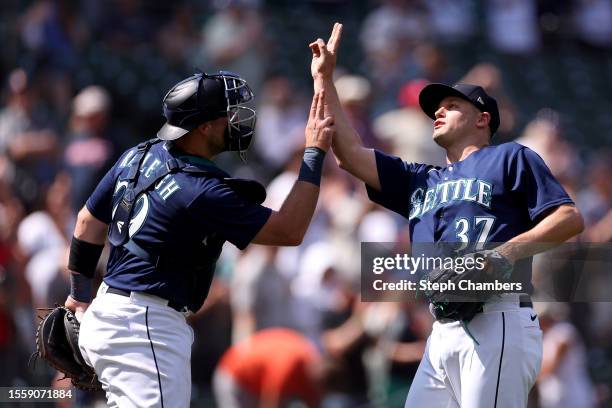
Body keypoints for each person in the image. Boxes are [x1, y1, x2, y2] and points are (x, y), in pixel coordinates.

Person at [310, 23, 584, 407]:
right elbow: (350, 154)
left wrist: (502, 255)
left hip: (497, 317)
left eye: (451, 105)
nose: (438, 111)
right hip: (442, 329)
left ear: (482, 118)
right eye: (436, 108)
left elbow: (569, 218)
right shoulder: (421, 179)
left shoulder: (510, 157)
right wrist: (325, 80)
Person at [62, 70, 334, 407]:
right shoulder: (202, 189)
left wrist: (78, 296)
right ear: (204, 126)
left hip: (109, 312)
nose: (236, 120)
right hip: (145, 328)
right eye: (227, 114)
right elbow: (289, 230)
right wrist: (314, 154)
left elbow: (87, 222)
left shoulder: (136, 155)